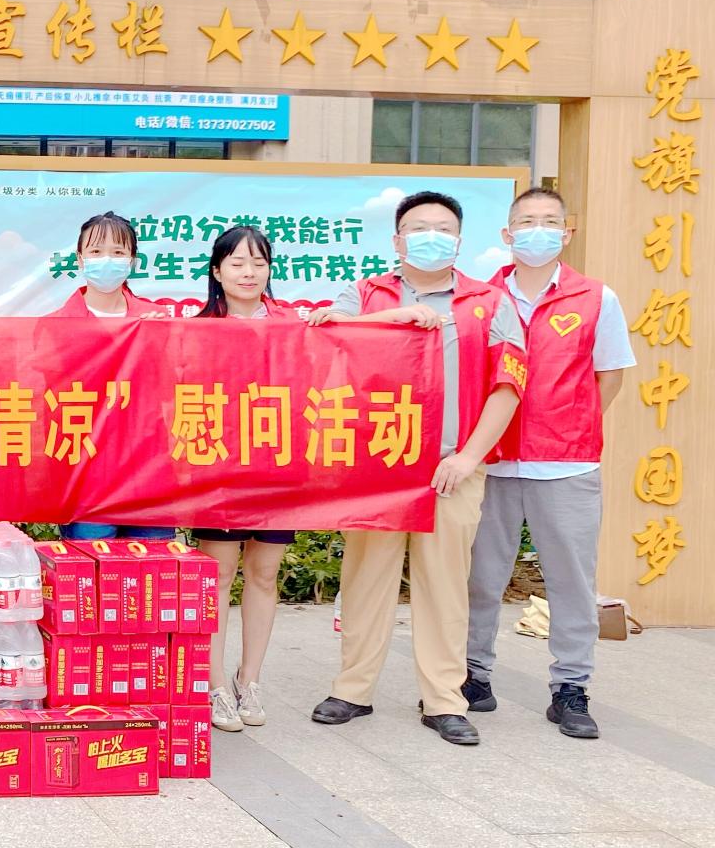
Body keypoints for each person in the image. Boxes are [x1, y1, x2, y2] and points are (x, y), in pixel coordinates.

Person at [308, 190, 525, 746]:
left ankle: (444, 700)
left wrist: (469, 456)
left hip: (452, 466)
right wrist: (398, 316)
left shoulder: (489, 302)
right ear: (398, 240)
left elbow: (508, 385)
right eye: (419, 228)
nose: (432, 236)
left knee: (445, 585)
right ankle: (352, 689)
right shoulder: (365, 293)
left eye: (444, 228)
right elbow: (330, 339)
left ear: (459, 240)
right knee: (365, 580)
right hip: (377, 465)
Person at [466, 187, 633, 739]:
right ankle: (472, 674)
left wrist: (571, 422)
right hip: (490, 462)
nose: (537, 230)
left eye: (549, 221)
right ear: (507, 234)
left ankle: (570, 688)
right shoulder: (481, 298)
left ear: (567, 232)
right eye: (526, 221)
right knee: (480, 578)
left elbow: (610, 375)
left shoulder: (597, 298)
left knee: (571, 582)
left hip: (566, 464)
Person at [189, 225, 294, 733]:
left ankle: (248, 679)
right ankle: (213, 685)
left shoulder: (294, 326)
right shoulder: (197, 329)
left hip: (277, 465)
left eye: (258, 262)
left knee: (264, 573)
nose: (249, 272)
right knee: (218, 574)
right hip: (218, 468)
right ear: (217, 271)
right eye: (237, 263)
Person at [52, 211, 170, 541]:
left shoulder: (157, 320)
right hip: (87, 477)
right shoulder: (56, 325)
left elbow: (176, 386)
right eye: (96, 251)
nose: (107, 260)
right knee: (90, 566)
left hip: (149, 473)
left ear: (132, 260)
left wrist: (158, 339)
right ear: (80, 259)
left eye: (118, 252)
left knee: (153, 567)